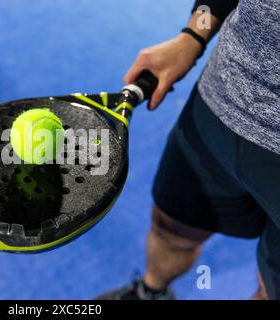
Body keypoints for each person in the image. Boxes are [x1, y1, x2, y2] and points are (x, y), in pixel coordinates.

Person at [97, 0, 279, 300]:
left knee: (271, 289)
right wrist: (194, 35)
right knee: (172, 228)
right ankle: (150, 293)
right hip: (217, 104)